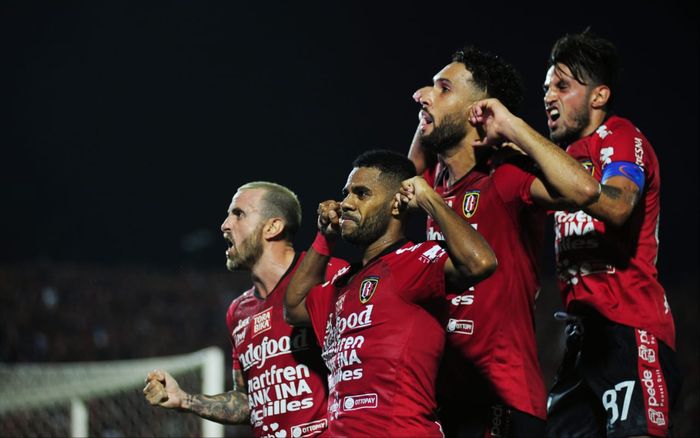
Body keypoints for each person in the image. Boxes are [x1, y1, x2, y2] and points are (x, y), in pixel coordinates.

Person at [468, 31, 681, 437]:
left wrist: (513, 128)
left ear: (599, 96)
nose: (549, 96)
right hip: (581, 343)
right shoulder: (559, 161)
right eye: (546, 87)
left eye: (563, 86)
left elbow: (618, 204)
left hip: (630, 334)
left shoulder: (620, 138)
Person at [409, 45, 599, 437]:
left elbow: (585, 190)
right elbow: (401, 173)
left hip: (501, 401)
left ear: (478, 110)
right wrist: (430, 110)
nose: (422, 94)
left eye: (444, 88)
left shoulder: (506, 177)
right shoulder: (434, 186)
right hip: (441, 402)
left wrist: (509, 124)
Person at [284, 149, 497, 437]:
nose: (346, 203)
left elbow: (481, 262)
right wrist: (324, 237)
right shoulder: (343, 283)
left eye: (361, 194)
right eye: (346, 193)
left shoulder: (414, 261)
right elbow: (294, 306)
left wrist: (429, 199)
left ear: (396, 204)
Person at [143, 181, 347, 438]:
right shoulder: (238, 311)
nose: (225, 225)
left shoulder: (330, 273)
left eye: (238, 214)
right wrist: (185, 400)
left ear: (273, 227)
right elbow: (248, 400)